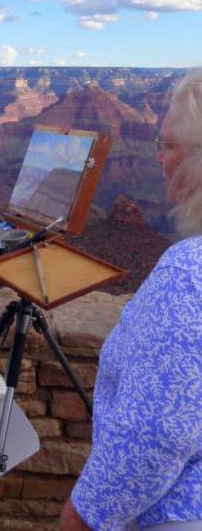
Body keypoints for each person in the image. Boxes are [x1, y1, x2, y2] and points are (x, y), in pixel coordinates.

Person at [59, 69, 202, 531]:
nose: (158, 159)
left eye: (169, 145)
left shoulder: (189, 272)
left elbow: (153, 436)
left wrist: (79, 517)